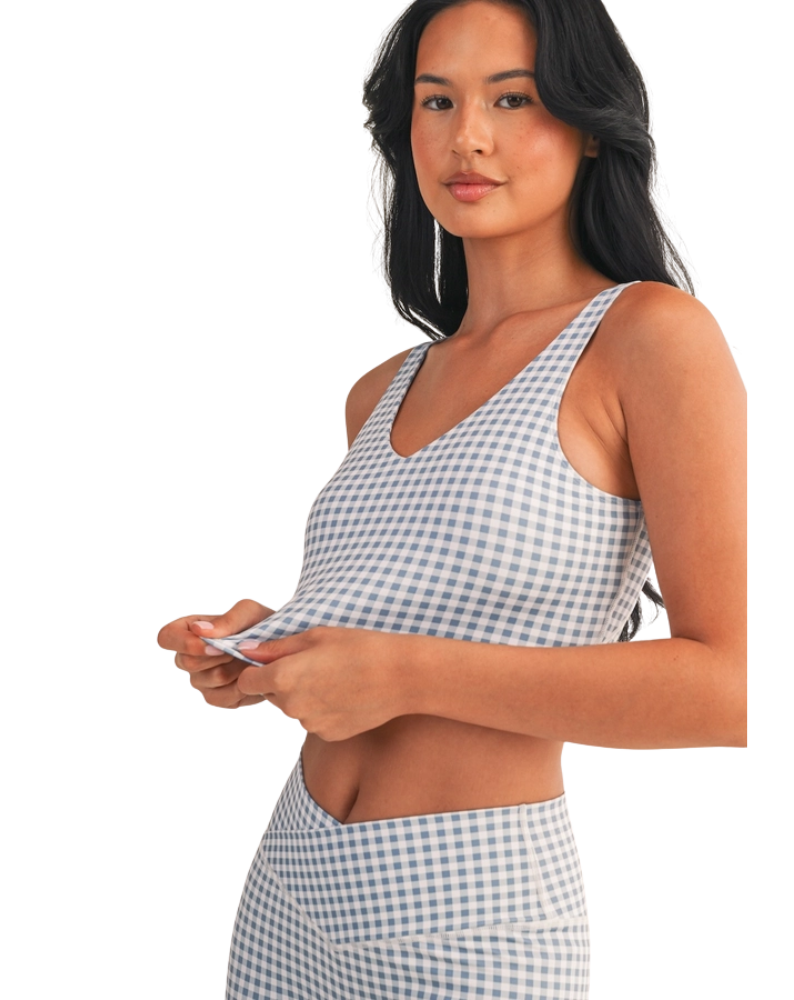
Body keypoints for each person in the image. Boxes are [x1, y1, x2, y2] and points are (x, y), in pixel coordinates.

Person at [157, 1, 747, 996]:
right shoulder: (379, 388)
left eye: (510, 98)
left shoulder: (650, 337)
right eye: (437, 101)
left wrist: (403, 674)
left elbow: (734, 688)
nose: (465, 136)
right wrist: (275, 644)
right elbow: (400, 615)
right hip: (290, 877)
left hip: (472, 903)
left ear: (589, 124)